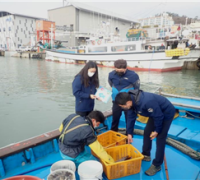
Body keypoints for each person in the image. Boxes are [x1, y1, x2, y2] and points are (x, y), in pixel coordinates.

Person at [115, 90, 175, 176]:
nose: (122, 108)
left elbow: (159, 116)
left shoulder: (147, 101)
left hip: (166, 112)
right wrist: (129, 133)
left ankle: (157, 164)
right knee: (147, 132)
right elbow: (131, 117)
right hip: (154, 113)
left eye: (122, 106)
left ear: (128, 102)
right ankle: (146, 154)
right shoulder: (131, 103)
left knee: (160, 138)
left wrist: (157, 131)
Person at [108, 59, 140, 132]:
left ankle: (129, 134)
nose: (119, 72)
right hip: (116, 101)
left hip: (128, 102)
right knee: (115, 118)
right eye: (117, 70)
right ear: (115, 67)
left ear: (126, 68)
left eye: (121, 70)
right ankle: (113, 132)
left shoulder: (133, 75)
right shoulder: (111, 74)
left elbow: (137, 88)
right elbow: (110, 83)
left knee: (129, 119)